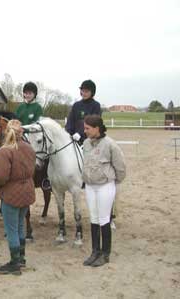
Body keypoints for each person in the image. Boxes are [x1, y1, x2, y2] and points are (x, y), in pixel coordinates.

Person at [0, 119, 36, 275]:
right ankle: (21, 258)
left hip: (11, 193)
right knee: (21, 226)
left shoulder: (5, 151)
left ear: (6, 131)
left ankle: (14, 263)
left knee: (11, 229)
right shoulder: (29, 148)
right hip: (27, 191)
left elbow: (0, 177)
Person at [82, 115, 126, 267]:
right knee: (93, 218)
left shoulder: (110, 144)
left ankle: (105, 253)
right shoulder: (86, 143)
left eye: (87, 128)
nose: (85, 131)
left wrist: (114, 182)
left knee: (103, 218)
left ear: (96, 128)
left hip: (104, 186)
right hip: (90, 186)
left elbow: (120, 167)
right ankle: (95, 251)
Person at [65, 80, 101, 145]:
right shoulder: (76, 105)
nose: (84, 93)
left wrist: (80, 133)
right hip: (74, 139)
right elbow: (70, 121)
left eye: (86, 91)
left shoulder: (96, 106)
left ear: (92, 92)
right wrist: (68, 133)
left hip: (90, 140)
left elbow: (93, 124)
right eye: (83, 91)